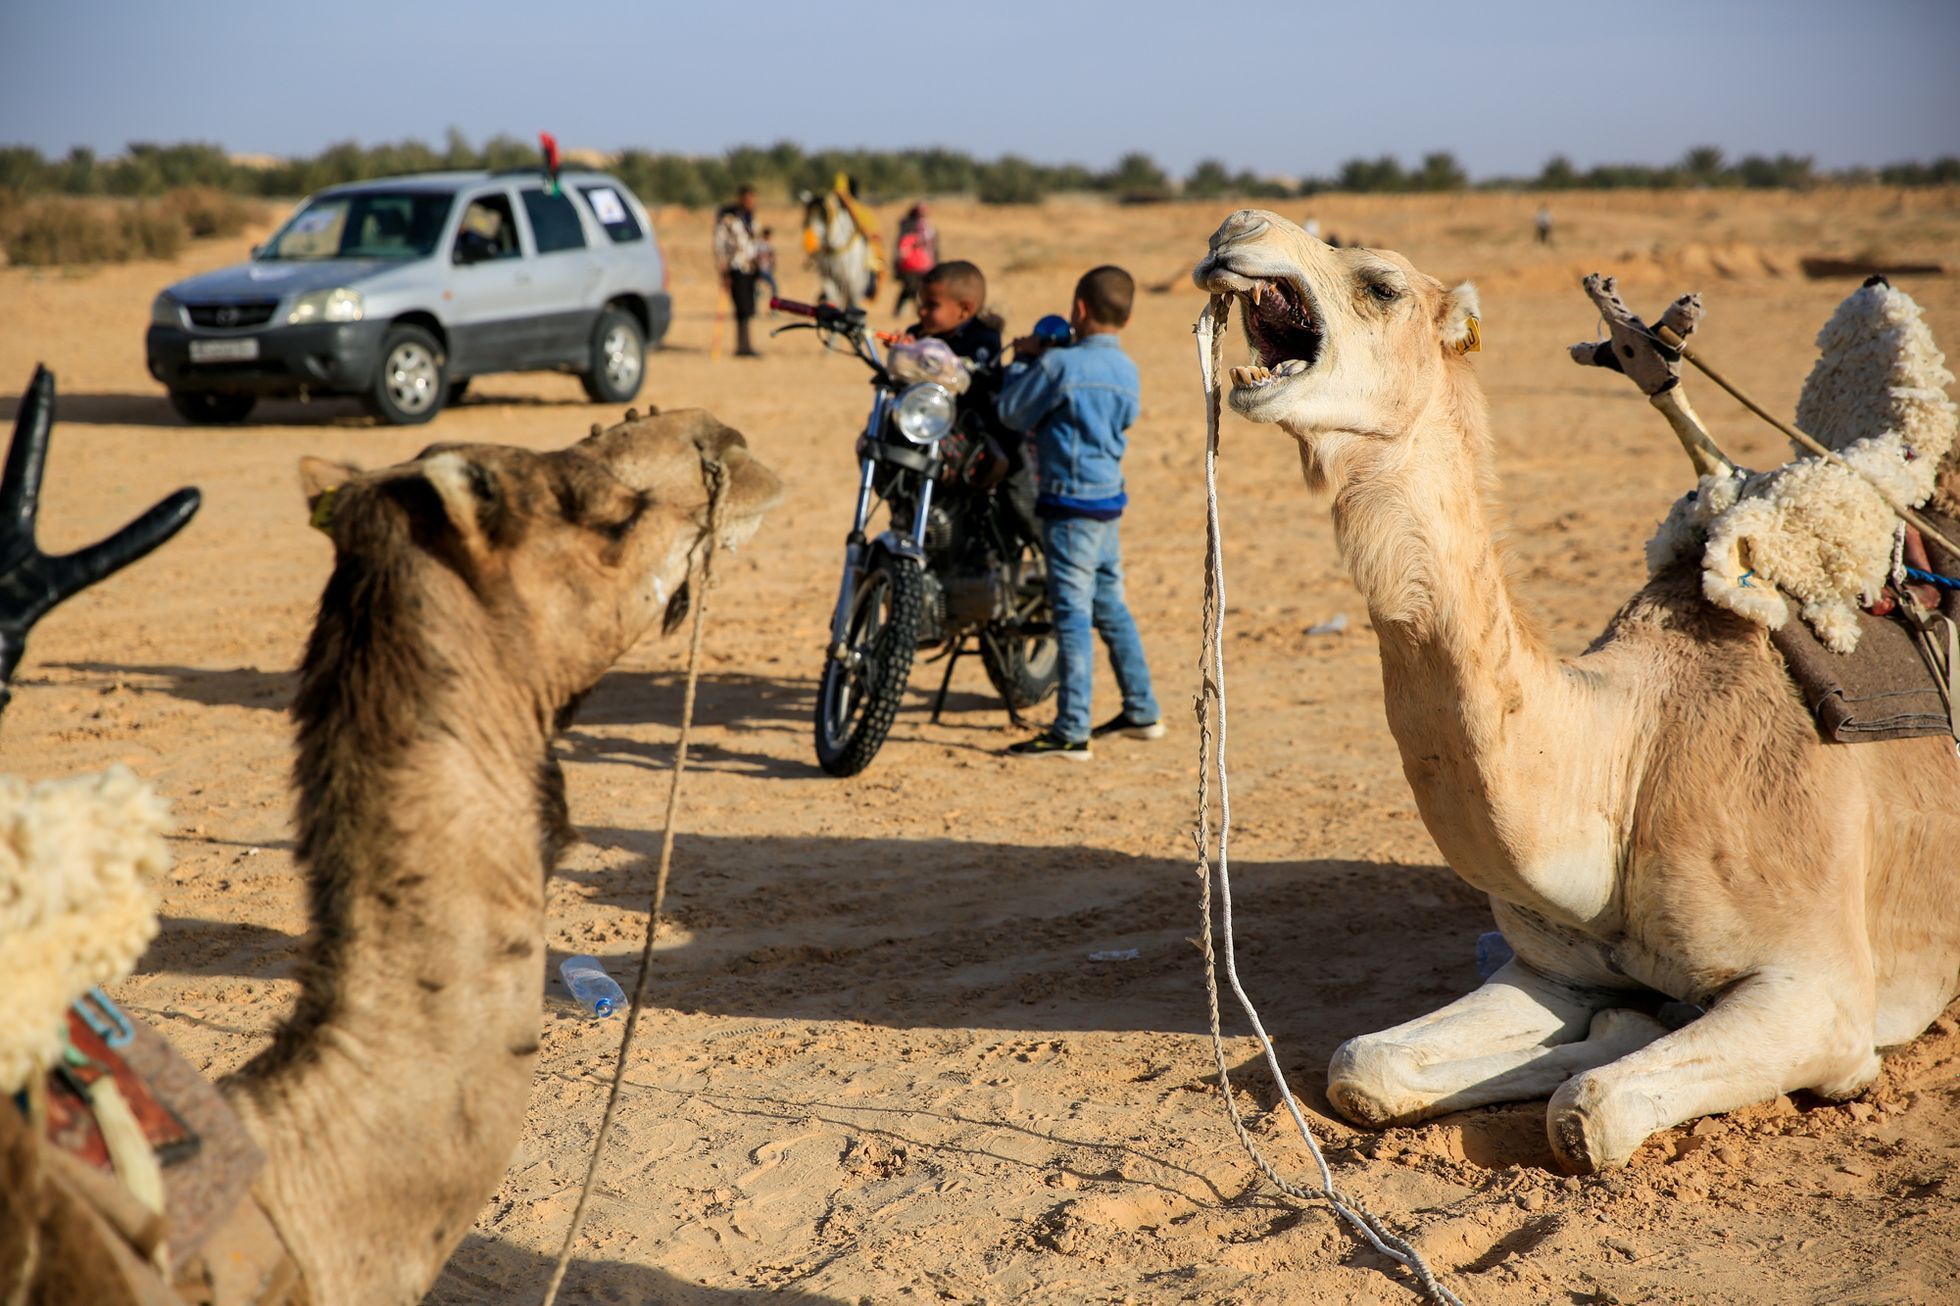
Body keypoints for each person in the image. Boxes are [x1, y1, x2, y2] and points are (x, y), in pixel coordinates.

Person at [995, 265, 1160, 760]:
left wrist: (1025, 360)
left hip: (1068, 508)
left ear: (1079, 309)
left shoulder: (1058, 366)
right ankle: (1141, 709)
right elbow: (1124, 419)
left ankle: (1071, 729)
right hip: (1107, 503)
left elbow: (1011, 412)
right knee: (1110, 605)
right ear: (1128, 319)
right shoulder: (1127, 370)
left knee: (1070, 616)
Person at [713, 184, 762, 357]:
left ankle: (747, 345)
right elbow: (720, 245)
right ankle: (742, 346)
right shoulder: (729, 219)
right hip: (736, 267)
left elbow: (754, 243)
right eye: (748, 198)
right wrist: (724, 270)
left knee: (749, 307)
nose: (751, 202)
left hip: (751, 269)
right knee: (741, 308)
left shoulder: (751, 219)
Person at [893, 202, 938, 318]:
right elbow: (903, 247)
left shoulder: (927, 227)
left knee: (913, 288)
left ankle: (900, 309)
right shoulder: (909, 226)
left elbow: (933, 247)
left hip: (923, 263)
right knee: (911, 288)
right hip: (910, 264)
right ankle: (915, 309)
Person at [754, 225, 780, 303]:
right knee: (773, 287)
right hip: (762, 269)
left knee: (760, 289)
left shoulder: (765, 244)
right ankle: (774, 304)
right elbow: (759, 257)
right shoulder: (761, 244)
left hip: (766, 269)